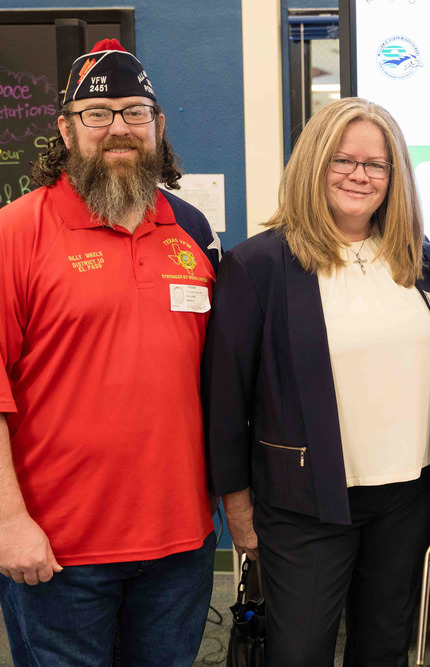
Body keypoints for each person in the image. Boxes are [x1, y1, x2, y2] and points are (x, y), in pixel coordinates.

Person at [203, 97, 430, 666]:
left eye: (377, 165)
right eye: (344, 160)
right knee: (299, 654)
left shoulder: (414, 257)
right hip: (305, 504)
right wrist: (237, 510)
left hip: (407, 497)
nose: (360, 175)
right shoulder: (260, 265)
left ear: (395, 177)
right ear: (314, 163)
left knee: (383, 649)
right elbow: (225, 401)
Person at [0, 39, 220, 665]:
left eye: (134, 112)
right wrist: (7, 523)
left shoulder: (191, 232)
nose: (118, 128)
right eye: (98, 114)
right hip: (57, 551)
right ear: (66, 130)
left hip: (180, 545)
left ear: (158, 127)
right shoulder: (16, 230)